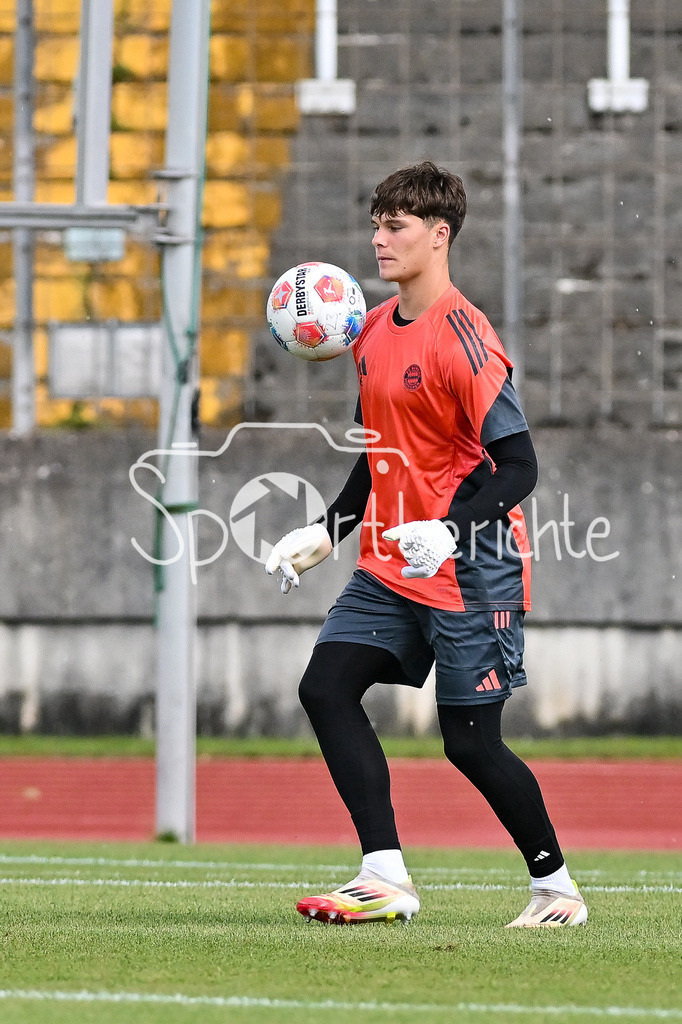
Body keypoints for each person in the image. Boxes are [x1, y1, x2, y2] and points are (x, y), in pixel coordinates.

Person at [265, 161, 587, 929]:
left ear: (439, 236)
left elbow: (520, 467)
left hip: (473, 568)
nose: (378, 239)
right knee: (325, 687)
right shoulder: (369, 329)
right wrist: (328, 526)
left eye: (396, 225)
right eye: (376, 223)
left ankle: (557, 889)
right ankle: (384, 875)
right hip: (388, 565)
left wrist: (446, 528)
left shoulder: (469, 340)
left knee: (470, 744)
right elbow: (380, 446)